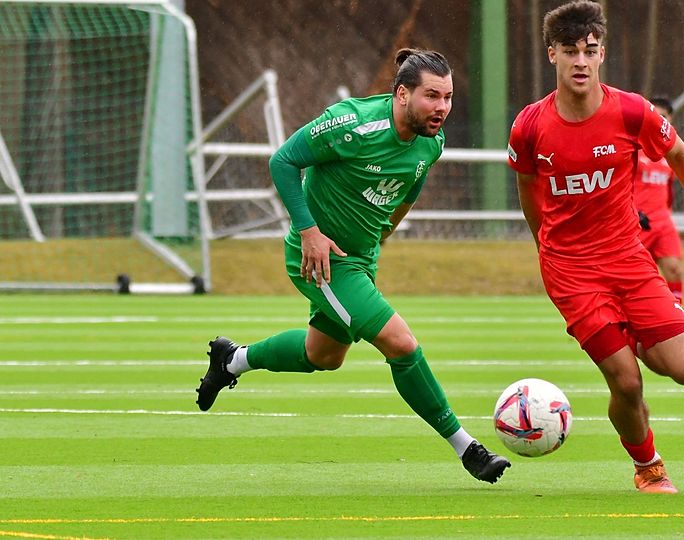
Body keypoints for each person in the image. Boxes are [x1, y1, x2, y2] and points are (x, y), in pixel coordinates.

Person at [195, 48, 510, 484]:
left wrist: (383, 234)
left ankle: (233, 360)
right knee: (401, 344)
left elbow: (409, 188)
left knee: (323, 356)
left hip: (360, 261)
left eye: (448, 97)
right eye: (432, 96)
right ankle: (467, 448)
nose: (442, 107)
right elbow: (282, 161)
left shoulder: (431, 142)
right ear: (402, 94)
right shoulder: (351, 124)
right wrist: (309, 232)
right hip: (322, 261)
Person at [508, 0, 684, 493]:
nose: (580, 61)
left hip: (628, 259)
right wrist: (544, 246)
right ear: (552, 54)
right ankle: (648, 466)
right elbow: (528, 186)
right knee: (626, 381)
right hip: (571, 270)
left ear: (602, 54)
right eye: (569, 51)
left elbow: (680, 154)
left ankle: (630, 337)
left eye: (589, 50)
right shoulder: (530, 126)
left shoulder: (632, 110)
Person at [635, 96, 684, 305]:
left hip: (663, 222)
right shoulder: (634, 148)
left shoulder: (671, 153)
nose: (659, 120)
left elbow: (669, 190)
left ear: (670, 120)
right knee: (637, 278)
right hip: (637, 222)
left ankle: (678, 313)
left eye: (664, 116)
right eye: (656, 115)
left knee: (674, 269)